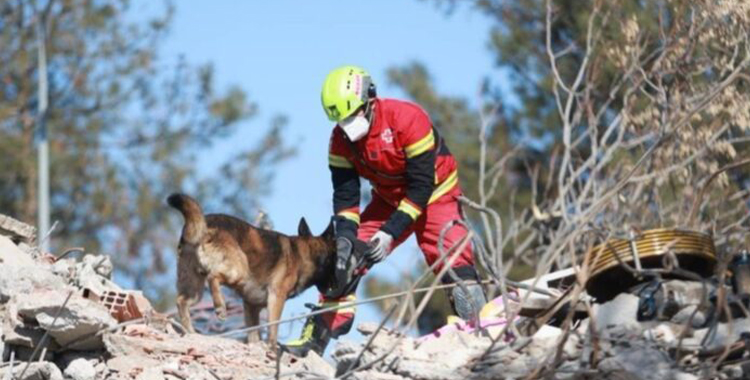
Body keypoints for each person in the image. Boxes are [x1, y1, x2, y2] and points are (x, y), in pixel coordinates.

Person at [281, 65, 486, 357]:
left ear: (370, 101)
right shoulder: (339, 140)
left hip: (436, 194)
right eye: (341, 119)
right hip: (388, 199)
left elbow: (421, 186)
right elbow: (346, 195)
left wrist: (390, 233)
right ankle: (315, 338)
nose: (348, 125)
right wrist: (347, 239)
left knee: (453, 259)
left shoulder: (407, 119)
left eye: (353, 115)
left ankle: (480, 332)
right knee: (342, 260)